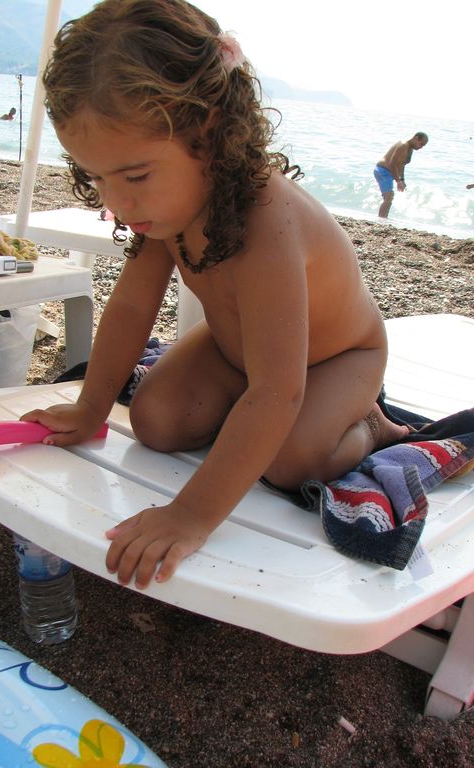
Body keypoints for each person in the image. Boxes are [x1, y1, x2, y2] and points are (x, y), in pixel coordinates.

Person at [21, 0, 407, 589]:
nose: (117, 203)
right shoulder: (165, 209)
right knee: (155, 420)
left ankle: (369, 423)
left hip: (337, 359)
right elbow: (132, 307)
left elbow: (278, 390)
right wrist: (91, 407)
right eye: (97, 177)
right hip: (239, 352)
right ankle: (245, 419)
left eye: (135, 175)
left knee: (289, 460)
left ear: (208, 131)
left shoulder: (266, 220)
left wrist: (191, 514)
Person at [373, 132, 428, 218]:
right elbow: (392, 163)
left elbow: (402, 165)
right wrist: (398, 181)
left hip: (389, 173)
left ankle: (383, 218)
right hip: (383, 170)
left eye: (423, 146)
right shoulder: (403, 145)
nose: (421, 147)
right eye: (421, 144)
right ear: (416, 138)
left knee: (388, 197)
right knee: (389, 196)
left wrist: (402, 179)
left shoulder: (410, 149)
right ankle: (381, 219)